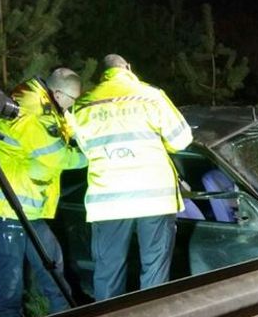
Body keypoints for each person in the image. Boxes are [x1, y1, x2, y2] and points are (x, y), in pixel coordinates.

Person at [68, 54, 193, 300]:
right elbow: (181, 139)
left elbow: (83, 149)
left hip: (108, 201)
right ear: (128, 68)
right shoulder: (151, 96)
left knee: (108, 271)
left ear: (101, 75)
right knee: (154, 270)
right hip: (154, 198)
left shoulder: (81, 105)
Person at [0, 68, 87, 317]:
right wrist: (90, 156)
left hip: (25, 203)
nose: (70, 108)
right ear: (58, 93)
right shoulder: (34, 112)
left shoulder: (41, 102)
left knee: (50, 258)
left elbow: (62, 129)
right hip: (11, 203)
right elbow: (58, 157)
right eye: (71, 102)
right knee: (11, 271)